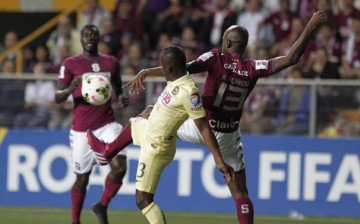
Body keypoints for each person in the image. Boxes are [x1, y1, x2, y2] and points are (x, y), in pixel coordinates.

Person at [92, 11, 326, 224]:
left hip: (199, 127)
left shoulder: (215, 58)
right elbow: (291, 58)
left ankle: (109, 151)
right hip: (228, 135)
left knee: (150, 112)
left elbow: (182, 67)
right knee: (241, 194)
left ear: (226, 42)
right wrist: (310, 26)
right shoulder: (254, 67)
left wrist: (146, 71)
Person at [87, 46, 235, 224]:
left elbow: (203, 127)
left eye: (162, 67)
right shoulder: (177, 76)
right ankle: (106, 152)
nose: (162, 71)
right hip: (150, 132)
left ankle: (106, 153)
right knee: (136, 122)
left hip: (156, 147)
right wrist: (147, 72)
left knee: (143, 200)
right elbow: (170, 73)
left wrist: (218, 160)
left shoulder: (188, 92)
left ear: (170, 69)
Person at [54, 24, 128, 224]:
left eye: (93, 35)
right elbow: (58, 97)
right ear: (81, 39)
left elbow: (118, 87)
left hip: (107, 124)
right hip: (81, 130)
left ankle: (101, 205)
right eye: (86, 34)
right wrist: (70, 88)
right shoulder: (70, 64)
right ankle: (75, 221)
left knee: (120, 168)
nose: (89, 37)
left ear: (98, 38)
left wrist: (122, 96)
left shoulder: (111, 62)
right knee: (82, 179)